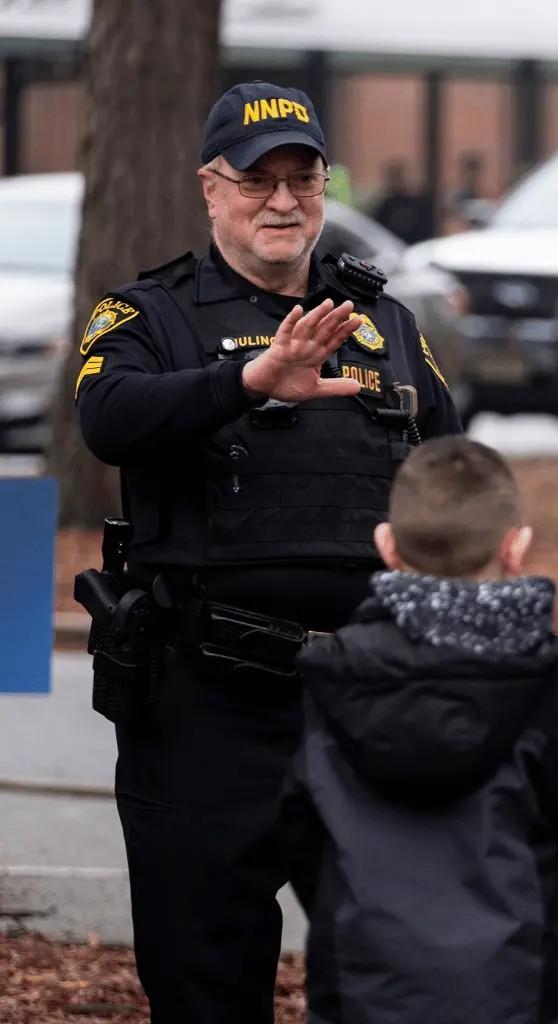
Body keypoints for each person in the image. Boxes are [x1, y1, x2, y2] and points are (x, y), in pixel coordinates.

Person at [73, 80, 461, 1024]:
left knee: (395, 979)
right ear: (212, 189)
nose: (283, 201)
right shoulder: (144, 319)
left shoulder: (386, 327)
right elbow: (107, 417)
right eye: (257, 181)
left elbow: (452, 468)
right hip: (204, 711)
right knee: (207, 988)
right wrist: (246, 382)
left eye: (303, 177)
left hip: (358, 711)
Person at [286, 436, 558, 1024]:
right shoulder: (543, 678)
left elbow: (299, 832)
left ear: (387, 547)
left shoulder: (334, 675)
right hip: (513, 991)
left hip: (361, 988)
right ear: (516, 547)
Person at [371, 159, 436, 243]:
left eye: (398, 177)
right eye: (393, 178)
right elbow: (376, 228)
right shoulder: (387, 205)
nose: (395, 182)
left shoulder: (417, 204)